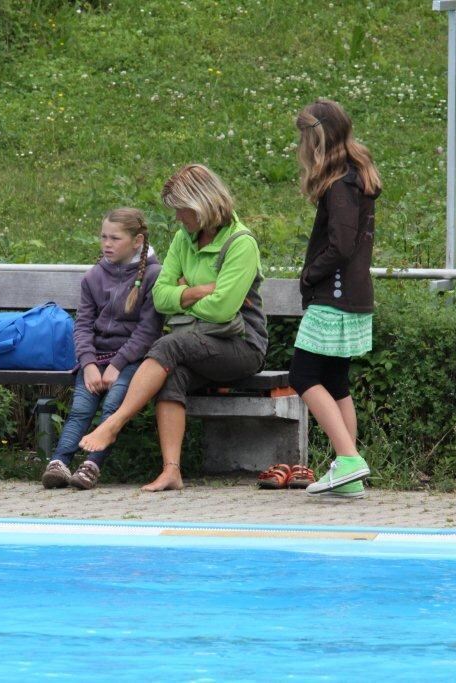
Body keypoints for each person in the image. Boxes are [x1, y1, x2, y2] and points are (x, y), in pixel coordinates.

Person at [80, 164, 267, 491]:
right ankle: (171, 471)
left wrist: (182, 293)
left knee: (170, 346)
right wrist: (199, 290)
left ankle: (114, 423)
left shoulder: (241, 243)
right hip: (199, 342)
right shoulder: (185, 238)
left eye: (181, 210)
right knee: (172, 374)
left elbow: (223, 310)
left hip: (240, 346)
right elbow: (160, 297)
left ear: (201, 204)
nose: (177, 218)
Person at [288, 99, 382, 499]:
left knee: (303, 376)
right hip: (351, 297)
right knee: (336, 382)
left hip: (334, 297)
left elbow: (341, 244)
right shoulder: (355, 176)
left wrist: (310, 274)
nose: (300, 146)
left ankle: (347, 459)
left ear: (317, 138)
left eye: (303, 137)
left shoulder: (340, 183)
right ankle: (351, 477)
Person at [41, 208, 163, 490]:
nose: (107, 244)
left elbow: (148, 331)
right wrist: (88, 363)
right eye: (103, 237)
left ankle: (91, 465)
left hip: (132, 360)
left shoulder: (153, 276)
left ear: (137, 241)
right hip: (96, 360)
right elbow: (82, 325)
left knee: (112, 407)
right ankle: (59, 462)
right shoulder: (93, 276)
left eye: (115, 238)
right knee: (81, 410)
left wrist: (118, 364)